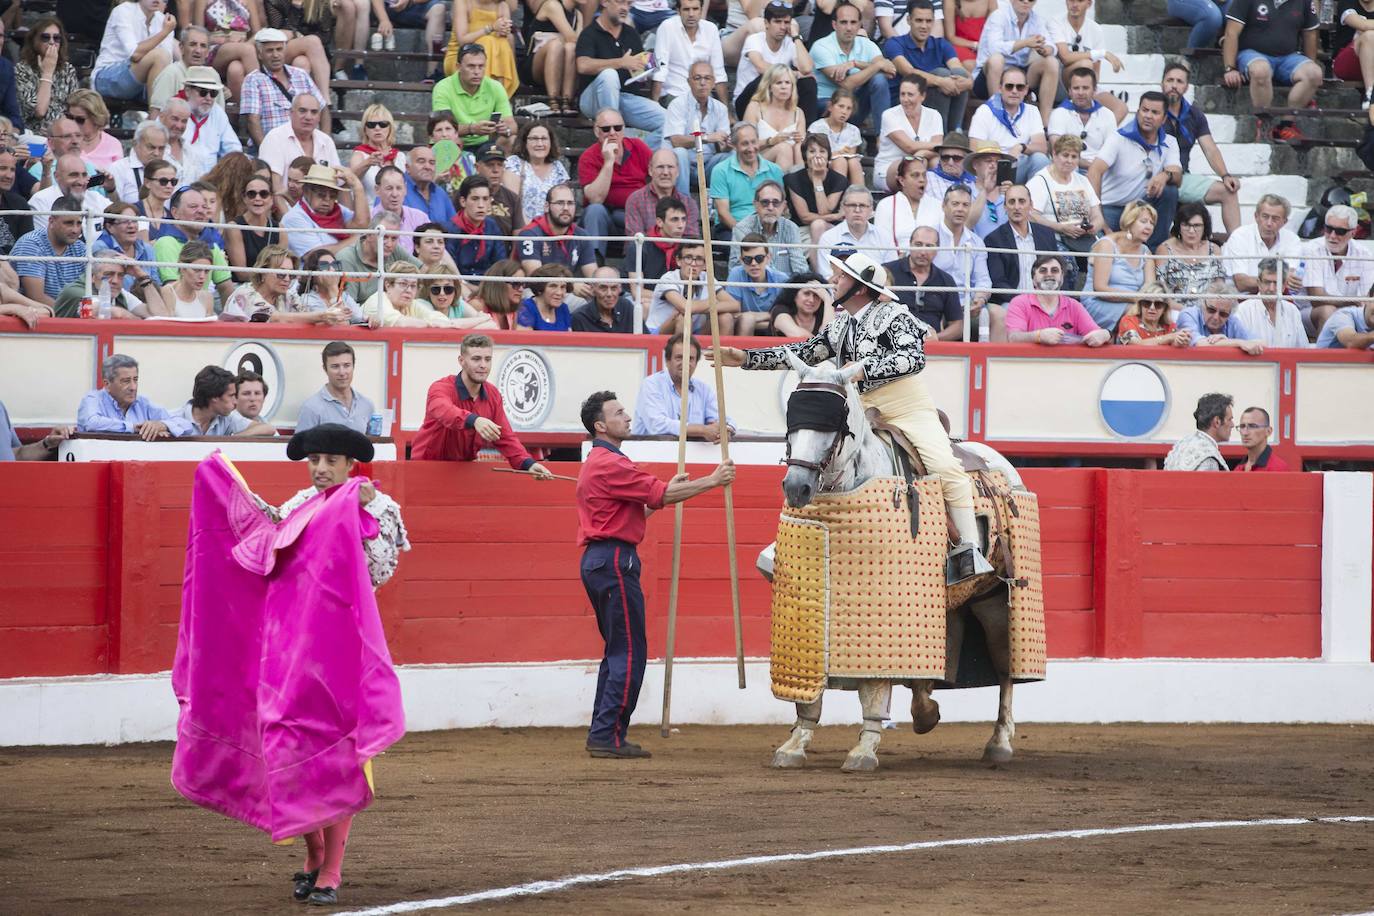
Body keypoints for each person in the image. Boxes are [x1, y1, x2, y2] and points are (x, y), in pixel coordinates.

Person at [178, 420, 407, 908]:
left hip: (341, 651)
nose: (321, 469)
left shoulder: (378, 506)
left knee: (339, 757)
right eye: (315, 460)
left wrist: (356, 512)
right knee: (287, 748)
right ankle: (313, 852)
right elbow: (267, 548)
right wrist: (228, 489)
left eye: (331, 462)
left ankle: (332, 871)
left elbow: (379, 570)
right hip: (295, 650)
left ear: (351, 465)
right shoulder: (300, 506)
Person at [712, 250, 993, 576]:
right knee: (813, 454)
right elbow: (804, 352)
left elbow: (913, 358)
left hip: (906, 409)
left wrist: (864, 369)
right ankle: (784, 544)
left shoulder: (894, 316)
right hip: (861, 409)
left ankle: (968, 551)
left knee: (945, 466)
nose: (833, 281)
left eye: (840, 276)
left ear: (859, 287)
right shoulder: (843, 324)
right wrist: (746, 358)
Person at [575, 388, 735, 757]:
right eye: (618, 412)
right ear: (600, 425)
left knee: (618, 649)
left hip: (601, 560)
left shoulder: (601, 463)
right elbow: (660, 496)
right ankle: (607, 735)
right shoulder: (611, 463)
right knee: (629, 651)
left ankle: (604, 731)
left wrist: (666, 493)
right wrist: (712, 481)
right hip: (615, 561)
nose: (627, 416)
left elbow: (642, 506)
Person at [410, 334, 554, 474]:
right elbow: (445, 411)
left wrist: (528, 464)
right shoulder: (440, 388)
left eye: (487, 359)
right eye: (476, 359)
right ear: (461, 361)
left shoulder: (493, 395)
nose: (483, 365)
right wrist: (474, 420)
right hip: (426, 468)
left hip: (463, 471)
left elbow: (504, 436)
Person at [1086, 94, 1180, 251]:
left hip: (1140, 209)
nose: (1148, 116)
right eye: (1144, 110)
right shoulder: (1119, 137)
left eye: (1155, 113)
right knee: (1103, 247)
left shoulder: (1169, 142)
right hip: (1112, 207)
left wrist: (1165, 175)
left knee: (1170, 190)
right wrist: (1098, 213)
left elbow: (1177, 176)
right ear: (1138, 113)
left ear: (1164, 119)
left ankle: (1152, 252)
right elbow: (1094, 171)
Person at [1160, 61, 1242, 236]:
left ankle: (1238, 248)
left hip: (1182, 177)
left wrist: (1225, 175)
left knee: (1228, 191)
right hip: (1153, 176)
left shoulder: (1194, 114)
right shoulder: (1152, 109)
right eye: (1170, 80)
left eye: (1179, 82)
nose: (1174, 85)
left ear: (1186, 86)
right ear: (1162, 83)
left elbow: (1210, 149)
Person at [1222, 0, 1322, 142]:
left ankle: (1286, 125)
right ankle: (1264, 124)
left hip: (1288, 57)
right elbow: (1231, 32)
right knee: (1261, 70)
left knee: (1314, 73)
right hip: (1252, 53)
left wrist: (1309, 63)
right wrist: (1229, 68)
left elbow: (1310, 34)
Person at [574, 0, 664, 147]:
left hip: (624, 98)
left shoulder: (631, 33)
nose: (625, 8)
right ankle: (611, 137)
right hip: (593, 99)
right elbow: (582, 65)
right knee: (609, 75)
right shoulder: (590, 33)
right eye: (620, 2)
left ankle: (636, 154)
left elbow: (636, 70)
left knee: (666, 120)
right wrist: (620, 62)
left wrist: (646, 69)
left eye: (628, 4)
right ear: (604, 2)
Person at [580, 109, 654, 260]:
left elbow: (658, 177)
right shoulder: (588, 157)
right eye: (606, 129)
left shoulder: (638, 147)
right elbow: (595, 198)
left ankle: (640, 266)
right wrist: (608, 162)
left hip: (636, 215)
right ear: (596, 131)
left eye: (617, 128)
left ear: (624, 129)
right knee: (595, 210)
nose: (612, 133)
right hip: (605, 219)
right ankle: (595, 266)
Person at [885, 2, 971, 131]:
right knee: (942, 74)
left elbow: (958, 68)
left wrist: (969, 82)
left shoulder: (941, 44)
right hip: (905, 101)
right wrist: (941, 82)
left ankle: (955, 133)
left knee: (960, 74)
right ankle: (942, 135)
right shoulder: (895, 43)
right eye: (919, 20)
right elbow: (909, 72)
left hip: (932, 101)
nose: (924, 26)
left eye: (928, 21)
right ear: (909, 20)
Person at [240, 28, 332, 148]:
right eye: (269, 51)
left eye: (279, 49)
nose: (275, 55)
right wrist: (267, 152)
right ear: (259, 54)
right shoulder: (253, 80)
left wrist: (324, 144)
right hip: (274, 146)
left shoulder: (300, 74)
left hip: (304, 147)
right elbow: (252, 121)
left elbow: (323, 108)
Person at [972, 0, 1059, 124]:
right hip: (989, 77)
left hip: (1019, 75)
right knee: (997, 60)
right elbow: (994, 48)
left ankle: (1044, 124)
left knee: (1051, 62)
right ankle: (998, 116)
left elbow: (1052, 46)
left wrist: (1045, 50)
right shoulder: (999, 16)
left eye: (1031, 0)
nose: (1026, 2)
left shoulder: (1037, 19)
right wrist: (1025, 43)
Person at [811, 1, 896, 127]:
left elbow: (890, 71)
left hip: (855, 103)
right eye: (844, 22)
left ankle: (882, 136)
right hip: (827, 104)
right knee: (837, 104)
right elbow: (846, 84)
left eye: (853, 22)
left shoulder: (867, 45)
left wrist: (856, 64)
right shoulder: (821, 46)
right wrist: (877, 66)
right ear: (834, 24)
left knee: (879, 79)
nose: (849, 28)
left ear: (859, 25)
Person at [632, 334, 734, 437]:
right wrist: (702, 430)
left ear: (696, 362)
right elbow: (657, 426)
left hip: (693, 453)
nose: (685, 363)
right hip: (650, 452)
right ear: (667, 361)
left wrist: (726, 430)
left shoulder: (703, 390)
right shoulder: (651, 384)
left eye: (690, 359)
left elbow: (724, 420)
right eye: (679, 358)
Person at [77, 353, 196, 440]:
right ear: (107, 384)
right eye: (126, 381)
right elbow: (92, 423)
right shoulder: (93, 399)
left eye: (135, 379)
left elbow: (187, 426)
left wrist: (163, 425)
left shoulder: (143, 403)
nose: (133, 387)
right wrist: (133, 427)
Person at [735, 0, 818, 122]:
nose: (783, 27)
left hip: (777, 99)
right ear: (766, 23)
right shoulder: (754, 40)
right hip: (748, 99)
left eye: (786, 22)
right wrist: (794, 74)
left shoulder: (790, 43)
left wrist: (796, 36)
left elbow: (807, 69)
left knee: (808, 83)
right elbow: (761, 67)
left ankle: (808, 133)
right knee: (765, 78)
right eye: (777, 22)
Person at [1081, 200, 1158, 330]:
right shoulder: (1107, 245)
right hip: (1099, 302)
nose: (1149, 227)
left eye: (1152, 223)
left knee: (1158, 315)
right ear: (1129, 222)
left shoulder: (1146, 253)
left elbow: (1150, 289)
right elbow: (1100, 288)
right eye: (1143, 221)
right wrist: (1137, 299)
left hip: (1134, 303)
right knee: (1139, 316)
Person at [967, 65, 1049, 185]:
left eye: (1019, 87)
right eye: (1009, 86)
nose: (1014, 91)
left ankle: (1031, 200)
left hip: (1018, 164)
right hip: (993, 166)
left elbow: (1042, 146)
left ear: (1026, 90)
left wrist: (1021, 147)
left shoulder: (1032, 110)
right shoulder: (985, 111)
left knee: (1040, 160)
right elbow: (974, 149)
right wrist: (999, 159)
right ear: (1000, 88)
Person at [223, 246, 348, 324]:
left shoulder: (288, 296)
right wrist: (323, 316)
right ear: (263, 272)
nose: (287, 279)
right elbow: (276, 319)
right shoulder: (245, 294)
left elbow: (309, 320)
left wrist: (333, 292)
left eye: (291, 275)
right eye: (281, 274)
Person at [1005, 254, 1111, 346]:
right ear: (1033, 279)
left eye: (1054, 270)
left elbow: (1095, 333)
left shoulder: (1074, 305)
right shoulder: (1019, 303)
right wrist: (1038, 336)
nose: (1049, 274)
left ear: (1062, 277)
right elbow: (1014, 338)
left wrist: (1105, 334)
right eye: (1043, 270)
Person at [930, 185, 993, 335]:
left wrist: (979, 299)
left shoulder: (976, 242)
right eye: (955, 204)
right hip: (934, 302)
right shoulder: (930, 236)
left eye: (965, 205)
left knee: (997, 314)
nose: (960, 209)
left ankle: (988, 358)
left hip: (966, 305)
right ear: (944, 206)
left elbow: (983, 279)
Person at [662, 62, 732, 197]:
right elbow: (676, 141)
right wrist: (706, 138)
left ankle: (721, 203)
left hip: (708, 166)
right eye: (697, 78)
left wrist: (728, 146)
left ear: (713, 82)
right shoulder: (677, 104)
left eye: (707, 78)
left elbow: (722, 146)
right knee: (680, 153)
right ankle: (683, 203)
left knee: (731, 157)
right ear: (689, 82)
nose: (703, 83)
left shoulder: (721, 108)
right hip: (682, 167)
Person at [1302, 204, 1374, 334]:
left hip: (1349, 312)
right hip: (1310, 313)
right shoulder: (1312, 249)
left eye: (1340, 231)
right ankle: (1324, 355)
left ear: (1353, 232)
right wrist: (1351, 301)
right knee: (1328, 311)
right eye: (1328, 229)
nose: (1332, 236)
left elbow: (1365, 299)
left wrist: (1355, 304)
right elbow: (1316, 299)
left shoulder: (1364, 254)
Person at [431, 43, 517, 152]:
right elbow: (442, 127)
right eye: (471, 66)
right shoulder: (443, 87)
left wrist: (506, 129)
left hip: (487, 144)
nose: (477, 72)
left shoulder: (495, 86)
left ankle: (504, 169)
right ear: (458, 67)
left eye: (481, 66)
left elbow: (512, 125)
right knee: (446, 138)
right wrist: (472, 129)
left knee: (511, 139)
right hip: (456, 141)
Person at [883, 225, 965, 339]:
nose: (923, 251)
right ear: (910, 245)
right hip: (893, 342)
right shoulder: (887, 272)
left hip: (931, 349)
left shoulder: (946, 280)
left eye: (929, 246)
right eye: (918, 244)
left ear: (937, 249)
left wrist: (936, 338)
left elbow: (957, 325)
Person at [647, 237, 739, 335]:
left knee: (726, 318)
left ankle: (723, 350)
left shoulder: (706, 278)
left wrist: (701, 306)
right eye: (688, 258)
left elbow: (735, 305)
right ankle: (681, 350)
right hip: (658, 333)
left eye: (699, 259)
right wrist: (713, 302)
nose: (693, 264)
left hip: (694, 331)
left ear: (705, 265)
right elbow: (685, 307)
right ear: (678, 260)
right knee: (683, 316)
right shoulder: (668, 278)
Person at [983, 183, 1056, 305]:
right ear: (1005, 207)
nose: (1017, 207)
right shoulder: (994, 240)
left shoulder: (1046, 234)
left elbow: (1056, 271)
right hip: (1011, 303)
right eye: (1011, 202)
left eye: (1022, 201)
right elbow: (998, 282)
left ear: (1031, 205)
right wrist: (1025, 301)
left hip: (1045, 300)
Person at [92, 0, 176, 103]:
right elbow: (135, 54)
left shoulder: (162, 20)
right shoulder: (123, 10)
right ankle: (155, 118)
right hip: (107, 77)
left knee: (169, 70)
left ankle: (157, 116)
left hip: (143, 82)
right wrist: (164, 32)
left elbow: (167, 63)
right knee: (159, 55)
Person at [873, 74, 944, 193]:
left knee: (934, 162)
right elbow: (909, 147)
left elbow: (938, 149)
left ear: (922, 96)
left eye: (910, 94)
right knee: (917, 163)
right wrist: (925, 152)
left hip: (922, 165)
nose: (905, 99)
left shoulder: (934, 115)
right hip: (889, 170)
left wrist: (921, 153)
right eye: (902, 94)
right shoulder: (889, 115)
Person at [280, 164, 369, 257]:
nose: (327, 199)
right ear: (306, 191)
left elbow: (361, 225)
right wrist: (357, 240)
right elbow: (315, 256)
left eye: (333, 195)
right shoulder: (294, 218)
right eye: (321, 194)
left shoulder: (337, 210)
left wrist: (357, 187)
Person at [12, 196, 85, 309]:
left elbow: (91, 289)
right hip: (35, 318)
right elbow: (36, 297)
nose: (75, 230)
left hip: (68, 316)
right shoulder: (31, 244)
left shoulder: (80, 247)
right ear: (51, 221)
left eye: (79, 223)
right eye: (68, 223)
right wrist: (74, 314)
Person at [259, 95, 342, 194]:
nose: (308, 117)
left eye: (314, 112)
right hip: (286, 206)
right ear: (291, 113)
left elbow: (339, 183)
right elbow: (275, 189)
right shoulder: (275, 138)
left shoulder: (326, 141)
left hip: (320, 206)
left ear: (319, 117)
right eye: (302, 111)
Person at [1222, 195, 1302, 294]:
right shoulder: (1240, 236)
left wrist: (1276, 281)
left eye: (1275, 218)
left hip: (1277, 297)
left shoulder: (1292, 239)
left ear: (1284, 222)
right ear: (1256, 217)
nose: (1269, 223)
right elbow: (1241, 283)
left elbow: (1290, 278)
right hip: (1243, 299)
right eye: (1265, 216)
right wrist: (1277, 280)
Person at [651, 0, 727, 105]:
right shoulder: (667, 27)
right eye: (686, 9)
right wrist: (655, 105)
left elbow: (719, 72)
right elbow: (660, 70)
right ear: (678, 11)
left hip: (703, 95)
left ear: (701, 10)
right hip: (673, 94)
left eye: (695, 9)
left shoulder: (711, 29)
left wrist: (726, 110)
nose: (691, 14)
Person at [728, 180, 811, 276]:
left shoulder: (791, 228)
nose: (770, 207)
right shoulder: (742, 229)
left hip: (787, 287)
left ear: (783, 206)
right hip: (753, 287)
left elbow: (799, 265)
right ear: (755, 205)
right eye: (765, 202)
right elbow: (739, 269)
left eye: (776, 203)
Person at [1154, 202, 1225, 314]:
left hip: (1209, 312)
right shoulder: (1164, 249)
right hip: (1174, 311)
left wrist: (1207, 310)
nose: (1191, 231)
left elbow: (1220, 288)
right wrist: (1189, 312)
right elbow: (1161, 291)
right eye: (1186, 225)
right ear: (1179, 226)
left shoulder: (1214, 249)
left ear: (1205, 226)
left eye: (1197, 225)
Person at [294, 341, 377, 433]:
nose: (342, 372)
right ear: (325, 369)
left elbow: (372, 444)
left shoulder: (367, 405)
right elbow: (300, 446)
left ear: (353, 366)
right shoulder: (311, 408)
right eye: (335, 366)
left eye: (347, 365)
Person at [338, 213, 422, 303]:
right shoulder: (347, 258)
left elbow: (424, 271)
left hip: (394, 309)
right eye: (384, 237)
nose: (389, 244)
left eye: (394, 238)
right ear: (369, 234)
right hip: (364, 313)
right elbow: (348, 306)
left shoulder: (395, 249)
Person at [518, 183, 597, 279]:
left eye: (570, 203)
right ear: (546, 206)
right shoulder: (530, 234)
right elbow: (535, 276)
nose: (566, 208)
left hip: (566, 290)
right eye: (560, 203)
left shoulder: (581, 235)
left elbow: (593, 276)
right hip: (533, 291)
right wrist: (570, 285)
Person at [17, 18, 81, 134]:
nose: (52, 42)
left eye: (56, 38)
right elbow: (39, 111)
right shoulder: (22, 70)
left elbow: (75, 108)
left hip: (64, 133)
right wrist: (47, 73)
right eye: (45, 37)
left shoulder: (68, 70)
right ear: (35, 41)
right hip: (34, 133)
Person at [786, 134, 847, 256]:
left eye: (822, 151)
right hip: (802, 230)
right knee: (815, 230)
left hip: (830, 229)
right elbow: (804, 217)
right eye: (812, 151)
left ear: (828, 156)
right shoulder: (793, 179)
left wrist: (817, 180)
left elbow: (823, 211)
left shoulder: (839, 180)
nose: (817, 155)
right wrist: (834, 216)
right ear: (805, 156)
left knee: (819, 226)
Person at [445, 0, 520, 98]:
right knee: (487, 42)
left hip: (493, 57)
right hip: (461, 58)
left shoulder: (502, 6)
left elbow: (504, 38)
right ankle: (490, 98)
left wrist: (504, 31)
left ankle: (499, 97)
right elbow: (462, 40)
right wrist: (490, 28)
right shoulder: (462, 2)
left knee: (504, 41)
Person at [819, 186, 897, 281]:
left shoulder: (884, 237)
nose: (857, 210)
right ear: (843, 207)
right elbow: (826, 276)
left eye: (863, 205)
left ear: (871, 209)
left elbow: (891, 275)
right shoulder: (828, 238)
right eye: (852, 205)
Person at [1047, 67, 1119, 167]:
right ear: (1069, 91)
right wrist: (1091, 167)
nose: (1080, 93)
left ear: (1094, 90)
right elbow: (1059, 151)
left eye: (1085, 88)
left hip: (1101, 171)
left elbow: (1112, 151)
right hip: (1069, 168)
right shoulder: (1059, 113)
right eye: (1076, 88)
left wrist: (1097, 170)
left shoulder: (1107, 115)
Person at [624, 149, 701, 241]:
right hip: (646, 253)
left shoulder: (689, 204)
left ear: (677, 171)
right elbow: (635, 241)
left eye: (670, 167)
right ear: (650, 170)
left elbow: (690, 241)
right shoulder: (635, 200)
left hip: (678, 254)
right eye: (660, 167)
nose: (665, 172)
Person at [178, 365, 277, 436]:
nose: (235, 401)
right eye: (231, 396)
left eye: (257, 393)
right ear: (214, 397)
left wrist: (232, 440)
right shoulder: (173, 418)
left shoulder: (227, 418)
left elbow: (268, 428)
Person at [503, 121, 569, 225]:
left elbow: (562, 203)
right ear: (525, 142)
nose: (540, 144)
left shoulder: (558, 167)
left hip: (552, 229)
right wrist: (530, 231)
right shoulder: (514, 163)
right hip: (521, 228)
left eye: (544, 139)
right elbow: (513, 204)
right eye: (534, 139)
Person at [1232, 258, 1308, 348]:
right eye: (1267, 282)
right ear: (1259, 283)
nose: (1271, 288)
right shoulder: (1243, 311)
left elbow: (1303, 349)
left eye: (1276, 283)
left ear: (1284, 286)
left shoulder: (1293, 311)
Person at [745, 65, 808, 172]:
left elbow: (804, 147)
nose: (784, 87)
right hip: (757, 160)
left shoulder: (798, 113)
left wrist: (799, 140)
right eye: (778, 83)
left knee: (798, 148)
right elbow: (745, 144)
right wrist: (771, 141)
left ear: (792, 87)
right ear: (769, 87)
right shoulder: (755, 107)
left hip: (792, 163)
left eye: (787, 83)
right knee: (784, 148)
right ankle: (782, 188)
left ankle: (799, 186)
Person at [362, 262, 464, 327]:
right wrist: (431, 324)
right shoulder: (378, 300)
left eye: (413, 285)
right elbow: (401, 323)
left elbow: (442, 320)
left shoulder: (412, 304)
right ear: (388, 285)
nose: (409, 290)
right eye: (403, 284)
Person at [180, 67, 243, 171]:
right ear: (187, 91)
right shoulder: (174, 110)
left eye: (213, 93)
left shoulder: (217, 112)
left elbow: (233, 148)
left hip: (209, 181)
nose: (208, 98)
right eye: (203, 92)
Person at [1176, 280, 1266, 353]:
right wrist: (1237, 342)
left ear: (1230, 313)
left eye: (1223, 314)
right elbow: (1199, 344)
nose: (1216, 317)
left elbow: (1262, 343)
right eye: (1211, 310)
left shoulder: (1232, 321)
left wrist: (1226, 341)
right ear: (1202, 304)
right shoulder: (1188, 315)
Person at [522, 0, 580, 112]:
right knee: (556, 45)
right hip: (535, 66)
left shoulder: (578, 15)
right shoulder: (552, 4)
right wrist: (563, 39)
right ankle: (553, 101)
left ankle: (566, 101)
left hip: (561, 67)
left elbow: (579, 44)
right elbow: (572, 38)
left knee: (571, 48)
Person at [29, 154, 109, 234]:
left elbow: (118, 218)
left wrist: (111, 190)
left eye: (84, 175)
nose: (81, 181)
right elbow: (46, 240)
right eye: (74, 175)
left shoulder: (96, 198)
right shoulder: (41, 200)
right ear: (56, 176)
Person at [149, 26, 220, 116]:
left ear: (208, 52)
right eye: (193, 44)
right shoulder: (170, 74)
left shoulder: (213, 76)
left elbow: (219, 114)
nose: (198, 50)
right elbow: (156, 114)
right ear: (181, 47)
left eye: (203, 46)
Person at [726, 234, 789, 335]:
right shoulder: (736, 274)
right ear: (741, 260)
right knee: (747, 319)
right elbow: (733, 315)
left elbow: (787, 316)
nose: (754, 263)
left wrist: (752, 317)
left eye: (759, 258)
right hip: (742, 327)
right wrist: (769, 315)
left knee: (748, 319)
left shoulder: (781, 279)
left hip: (773, 332)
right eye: (748, 259)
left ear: (768, 258)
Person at [448, 175, 509, 278]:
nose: (481, 205)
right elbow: (449, 271)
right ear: (463, 201)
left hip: (489, 287)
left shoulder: (493, 227)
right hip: (459, 287)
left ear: (490, 201)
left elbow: (500, 266)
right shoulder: (449, 230)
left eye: (485, 199)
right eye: (475, 199)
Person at [224, 173, 284, 279]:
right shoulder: (234, 228)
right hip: (242, 288)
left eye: (264, 194)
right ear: (244, 198)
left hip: (272, 287)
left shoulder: (280, 229)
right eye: (251, 194)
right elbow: (241, 274)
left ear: (271, 198)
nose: (257, 198)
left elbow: (282, 268)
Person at [94, 203, 161, 292]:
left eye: (134, 221)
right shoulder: (100, 247)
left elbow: (156, 283)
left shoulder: (147, 249)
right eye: (125, 222)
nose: (132, 226)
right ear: (110, 227)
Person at [808, 86, 866, 186]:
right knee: (840, 161)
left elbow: (851, 154)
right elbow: (815, 154)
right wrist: (838, 153)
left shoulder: (853, 130)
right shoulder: (817, 127)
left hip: (846, 165)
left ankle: (860, 195)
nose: (844, 112)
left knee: (854, 162)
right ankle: (838, 195)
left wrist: (841, 154)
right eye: (841, 106)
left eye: (849, 108)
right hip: (822, 164)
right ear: (830, 106)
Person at [349, 105, 409, 199]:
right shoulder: (359, 155)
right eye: (371, 125)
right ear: (365, 130)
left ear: (390, 128)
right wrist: (367, 163)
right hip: (369, 211)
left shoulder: (400, 156)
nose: (377, 128)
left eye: (383, 124)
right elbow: (349, 182)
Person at [1163, 393, 1233, 471]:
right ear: (1217, 422)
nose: (1232, 425)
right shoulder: (1209, 458)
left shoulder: (1182, 445)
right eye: (1229, 420)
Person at [108, 121, 173, 207]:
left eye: (161, 148)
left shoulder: (171, 170)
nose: (156, 153)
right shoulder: (119, 168)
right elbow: (113, 207)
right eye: (151, 147)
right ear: (135, 144)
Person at [149, 241, 218, 317]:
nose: (202, 276)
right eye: (196, 270)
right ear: (182, 267)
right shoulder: (168, 292)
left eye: (206, 271)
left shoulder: (207, 297)